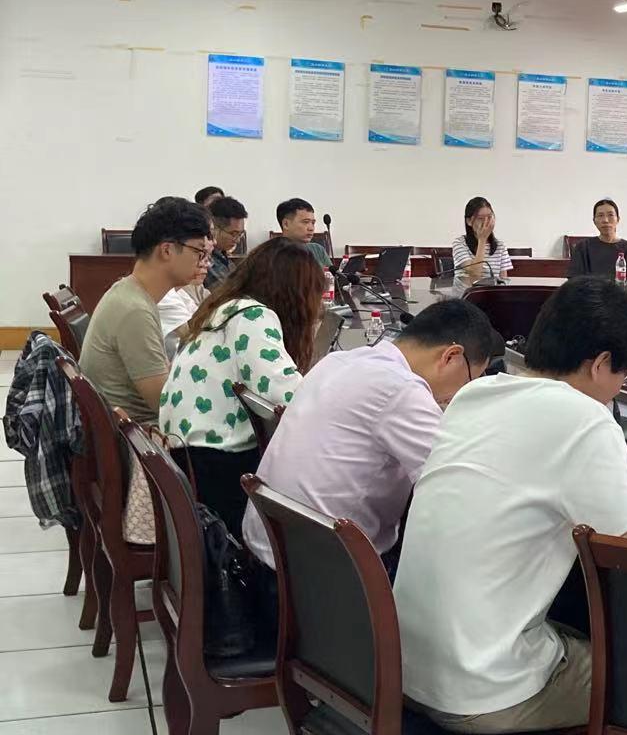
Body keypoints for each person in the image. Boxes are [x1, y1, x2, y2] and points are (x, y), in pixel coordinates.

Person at [395, 278, 627, 735]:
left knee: (575, 625)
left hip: (403, 667)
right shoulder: (584, 418)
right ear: (601, 363)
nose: (620, 390)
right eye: (625, 376)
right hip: (475, 690)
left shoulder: (474, 395)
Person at [241, 298, 500, 573]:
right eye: (471, 379)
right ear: (451, 356)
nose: (460, 393)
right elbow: (460, 487)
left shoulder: (337, 361)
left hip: (267, 553)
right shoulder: (401, 389)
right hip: (328, 577)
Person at [158, 238, 321, 537]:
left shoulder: (223, 308)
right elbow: (288, 397)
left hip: (188, 460)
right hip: (216, 468)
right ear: (294, 292)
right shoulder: (253, 316)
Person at [80, 197, 214, 426]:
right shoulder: (135, 310)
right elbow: (167, 405)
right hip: (142, 434)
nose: (203, 262)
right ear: (167, 250)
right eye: (198, 252)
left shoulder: (130, 291)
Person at [567, 198, 627, 279]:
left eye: (610, 215)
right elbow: (574, 279)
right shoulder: (582, 247)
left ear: (618, 219)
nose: (605, 220)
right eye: (600, 215)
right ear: (594, 221)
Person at [452, 196, 513, 285]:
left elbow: (503, 281)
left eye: (489, 217)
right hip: (467, 292)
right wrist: (482, 240)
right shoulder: (459, 243)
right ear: (469, 221)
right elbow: (475, 274)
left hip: (491, 292)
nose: (486, 222)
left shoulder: (500, 246)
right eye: (480, 218)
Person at [204, 195, 248, 289]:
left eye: (240, 234)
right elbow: (226, 291)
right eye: (233, 234)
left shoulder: (223, 256)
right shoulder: (205, 261)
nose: (237, 240)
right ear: (214, 228)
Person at [276, 197, 331, 269]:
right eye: (305, 222)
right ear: (286, 224)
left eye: (313, 223)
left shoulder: (318, 250)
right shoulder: (271, 254)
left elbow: (332, 274)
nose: (311, 228)